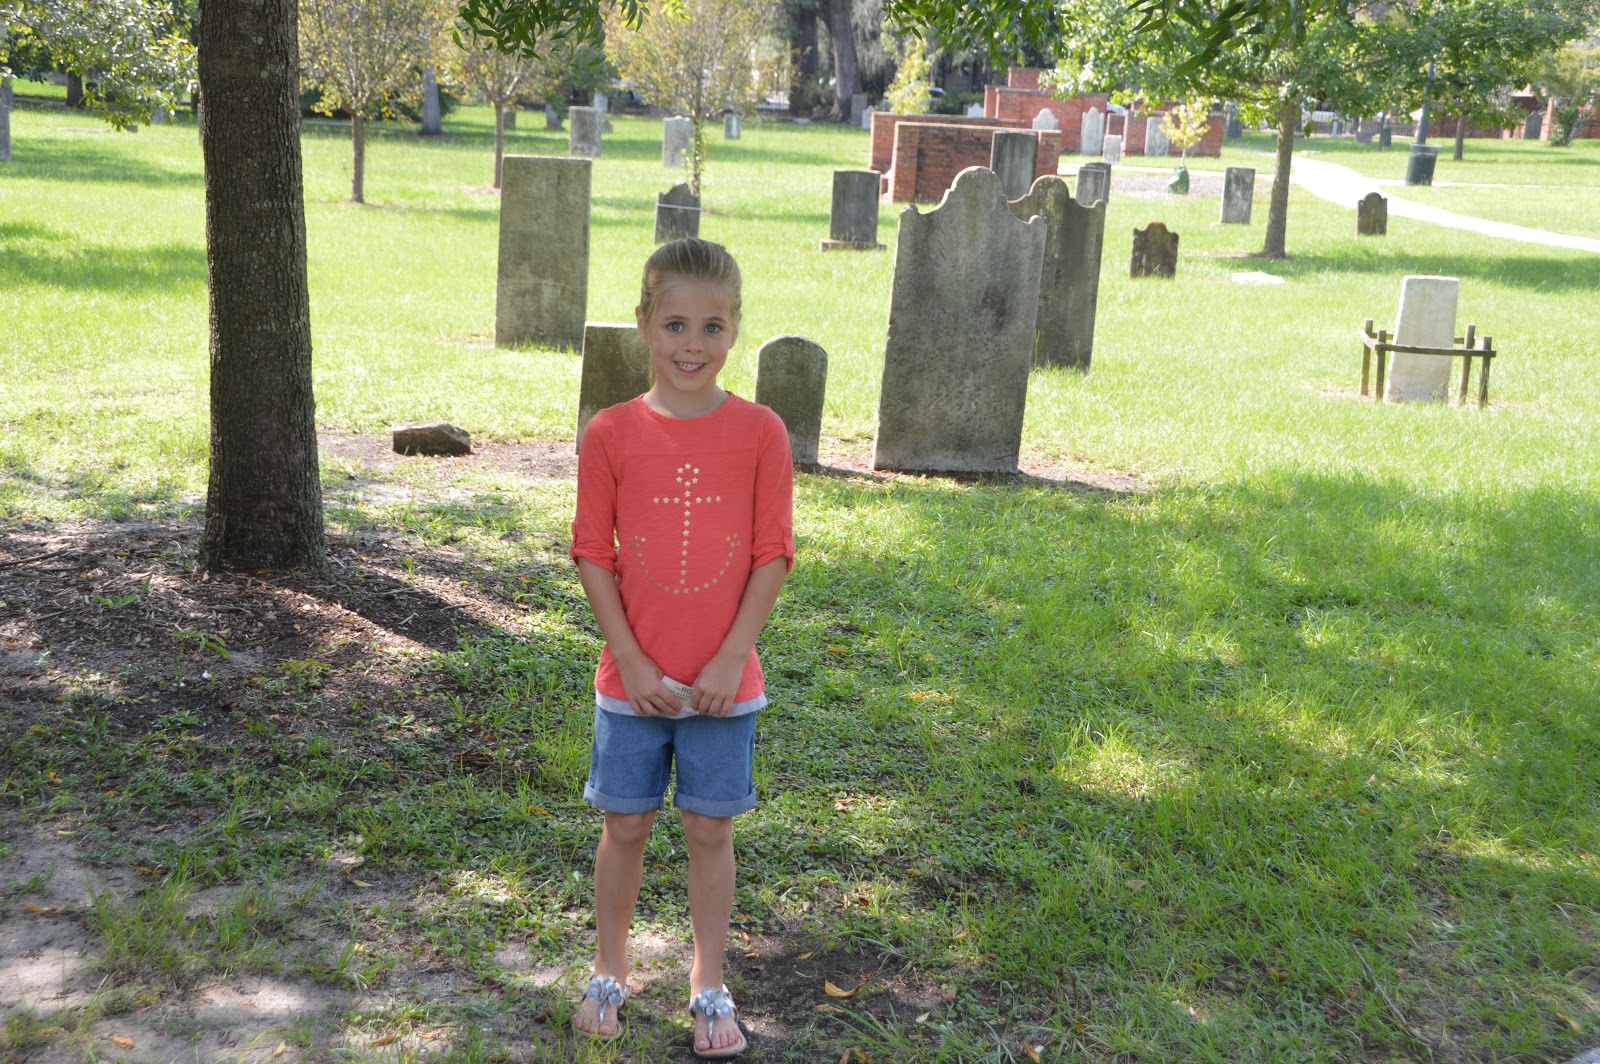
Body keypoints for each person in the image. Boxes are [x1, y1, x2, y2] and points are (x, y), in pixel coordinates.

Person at [568, 238, 794, 1058]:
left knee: (708, 830)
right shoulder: (611, 433)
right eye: (674, 325)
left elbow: (772, 552)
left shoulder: (761, 432)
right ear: (643, 325)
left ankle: (707, 981)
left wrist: (732, 657)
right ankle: (609, 969)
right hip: (632, 680)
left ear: (734, 330)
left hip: (722, 685)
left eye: (712, 327)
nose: (691, 345)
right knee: (625, 823)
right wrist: (630, 659)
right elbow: (592, 551)